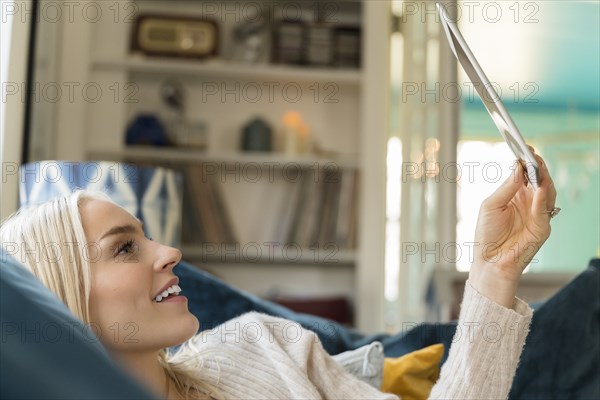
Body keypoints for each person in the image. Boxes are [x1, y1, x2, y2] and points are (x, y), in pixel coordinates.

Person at [0, 151, 558, 400]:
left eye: (147, 235)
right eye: (124, 248)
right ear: (58, 298)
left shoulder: (261, 347)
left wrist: (494, 268)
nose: (169, 251)